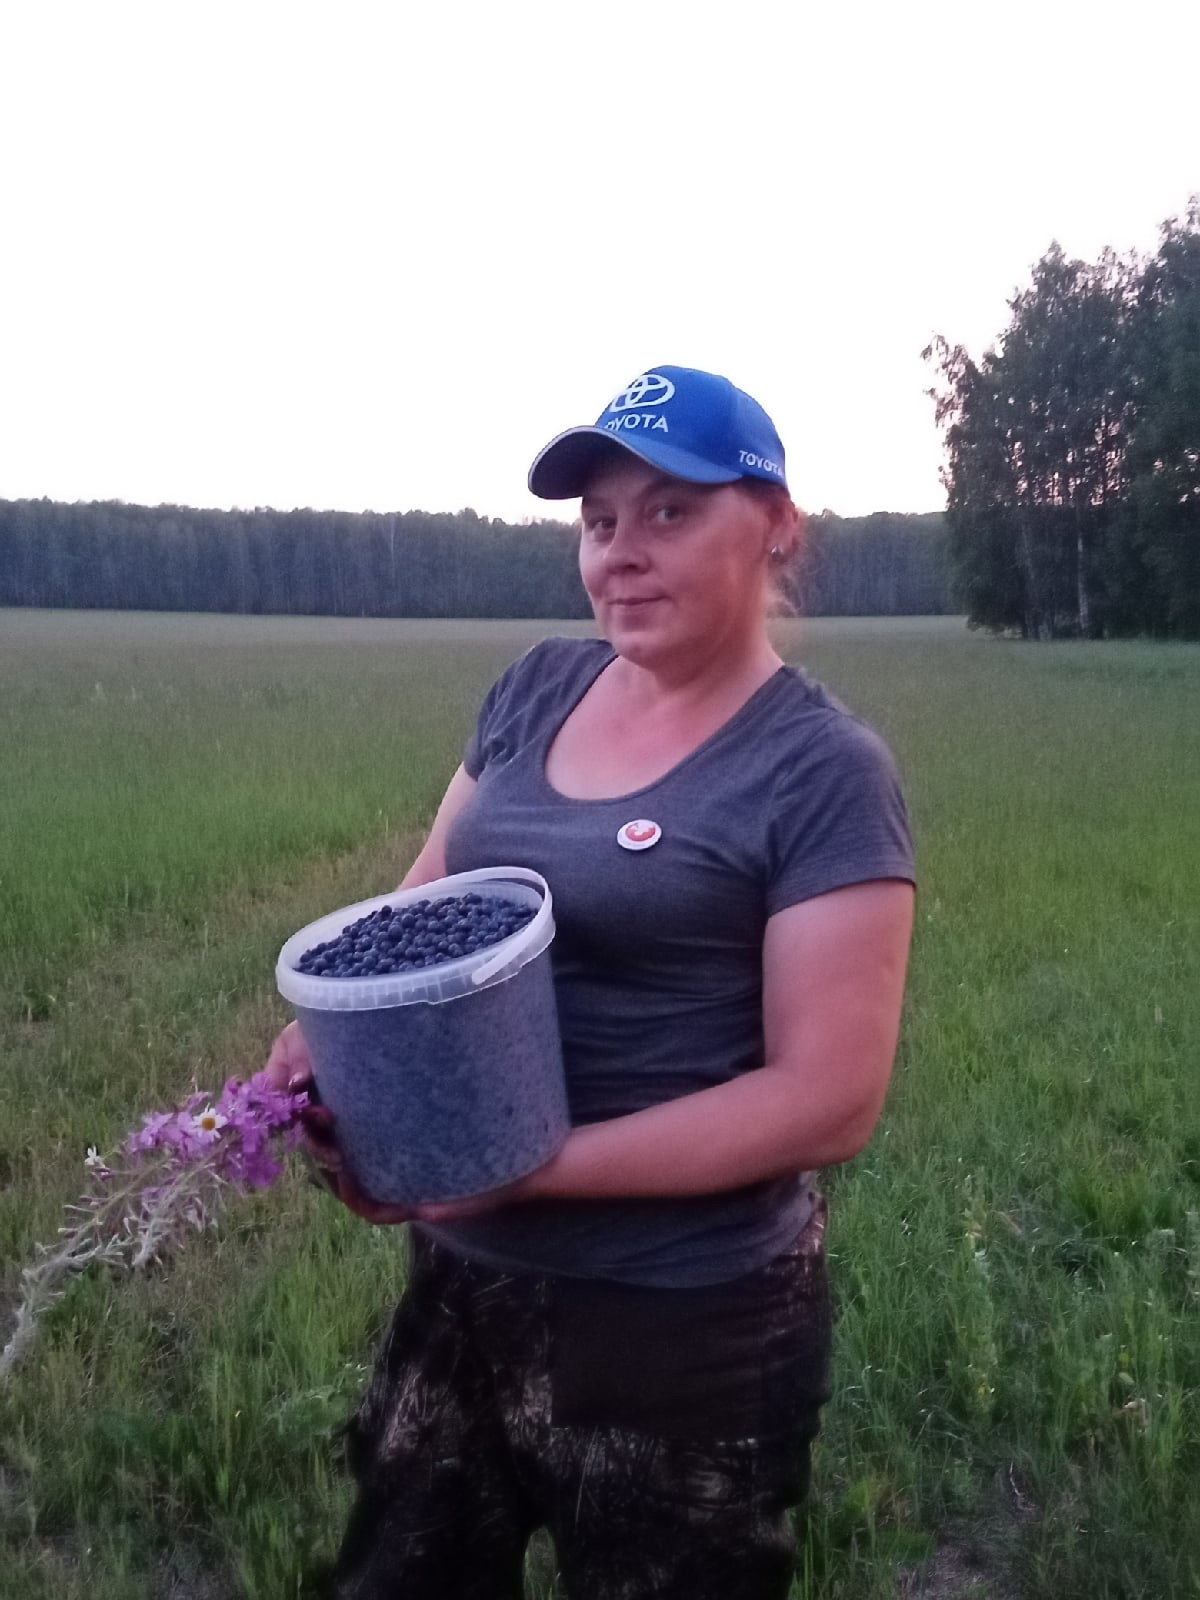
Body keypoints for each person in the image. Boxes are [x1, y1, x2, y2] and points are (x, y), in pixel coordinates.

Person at [265, 364, 916, 1600]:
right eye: (600, 520)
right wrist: (324, 1042)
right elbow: (422, 901)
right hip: (463, 1282)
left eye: (670, 511)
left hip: (684, 1322)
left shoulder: (822, 768)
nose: (622, 551)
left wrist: (532, 1164)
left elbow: (829, 1098)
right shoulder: (536, 689)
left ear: (775, 523)